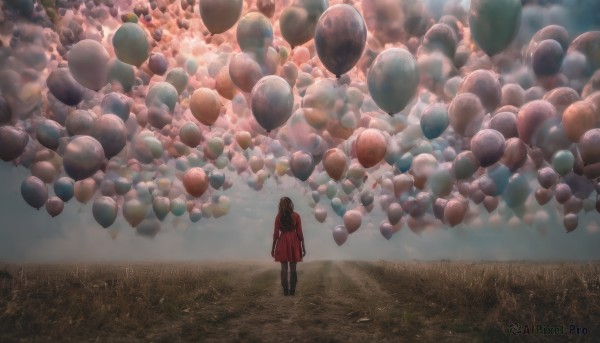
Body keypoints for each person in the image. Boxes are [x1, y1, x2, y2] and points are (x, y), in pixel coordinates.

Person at [271, 197, 306, 296]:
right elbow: (299, 233)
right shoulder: (296, 216)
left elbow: (276, 234)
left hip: (283, 241)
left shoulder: (278, 217)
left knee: (284, 268)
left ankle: (286, 290)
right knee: (293, 268)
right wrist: (303, 246)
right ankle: (292, 290)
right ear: (291, 204)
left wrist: (273, 248)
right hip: (294, 242)